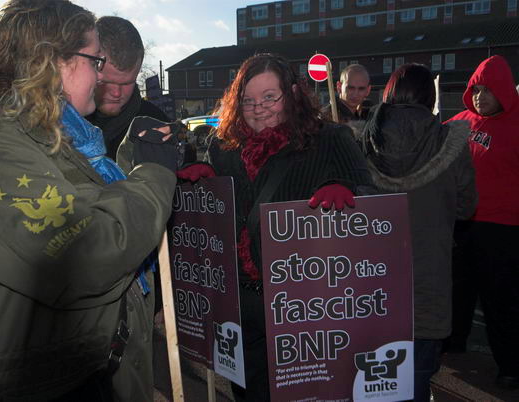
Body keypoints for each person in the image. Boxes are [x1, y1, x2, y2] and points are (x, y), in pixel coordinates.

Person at [0, 1, 179, 400]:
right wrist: (155, 174)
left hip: (69, 376)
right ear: (56, 60)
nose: (100, 73)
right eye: (96, 60)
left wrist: (132, 155)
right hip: (38, 387)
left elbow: (81, 201)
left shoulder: (39, 133)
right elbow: (89, 255)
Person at [192, 53, 374, 401]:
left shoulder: (331, 138)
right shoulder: (223, 146)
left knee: (306, 392)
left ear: (291, 94)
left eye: (269, 97)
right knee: (249, 392)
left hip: (305, 303)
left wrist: (346, 190)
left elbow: (370, 202)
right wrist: (203, 186)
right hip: (241, 302)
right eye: (248, 100)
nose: (258, 108)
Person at [356, 63, 477, 401]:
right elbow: (467, 207)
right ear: (431, 96)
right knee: (417, 382)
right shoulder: (451, 143)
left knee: (368, 382)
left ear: (388, 93)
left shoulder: (361, 140)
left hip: (369, 288)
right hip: (427, 286)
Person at [445, 55, 519, 389]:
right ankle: (453, 341)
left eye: (488, 90)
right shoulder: (458, 122)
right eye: (476, 89)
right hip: (461, 221)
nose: (480, 96)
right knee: (457, 289)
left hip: (503, 228)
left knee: (499, 299)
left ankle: (510, 365)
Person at [87, 16, 168, 160]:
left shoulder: (157, 124)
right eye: (107, 81)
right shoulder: (57, 119)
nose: (116, 93)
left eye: (127, 83)